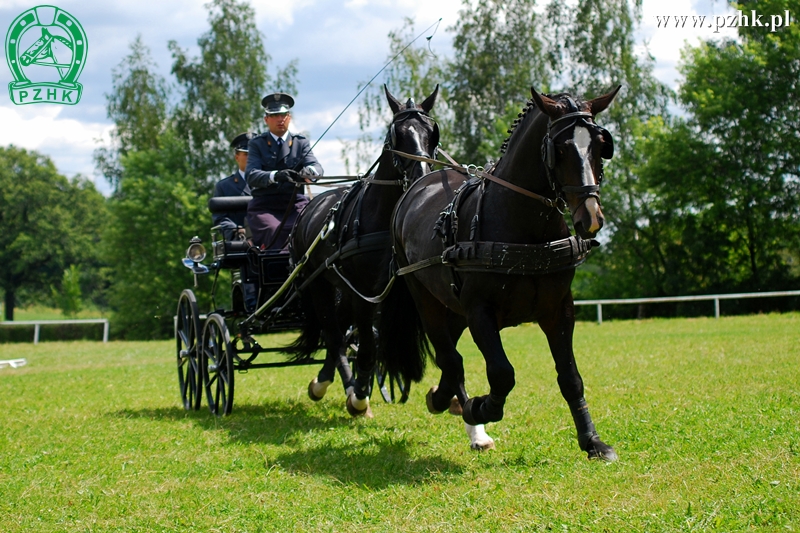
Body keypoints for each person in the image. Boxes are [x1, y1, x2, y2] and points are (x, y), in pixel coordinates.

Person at [246, 92, 324, 250]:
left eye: (283, 115)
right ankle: (281, 272)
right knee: (275, 230)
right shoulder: (257, 144)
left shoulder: (300, 143)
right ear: (266, 119)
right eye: (274, 115)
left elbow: (317, 168)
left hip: (295, 203)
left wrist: (308, 172)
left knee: (314, 226)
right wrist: (275, 176)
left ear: (289, 117)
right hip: (265, 206)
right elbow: (251, 175)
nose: (280, 120)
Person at [212, 132, 254, 240]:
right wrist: (236, 231)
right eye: (246, 154)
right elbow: (220, 218)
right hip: (239, 245)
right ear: (237, 157)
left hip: (271, 242)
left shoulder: (270, 183)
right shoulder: (224, 187)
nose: (250, 158)